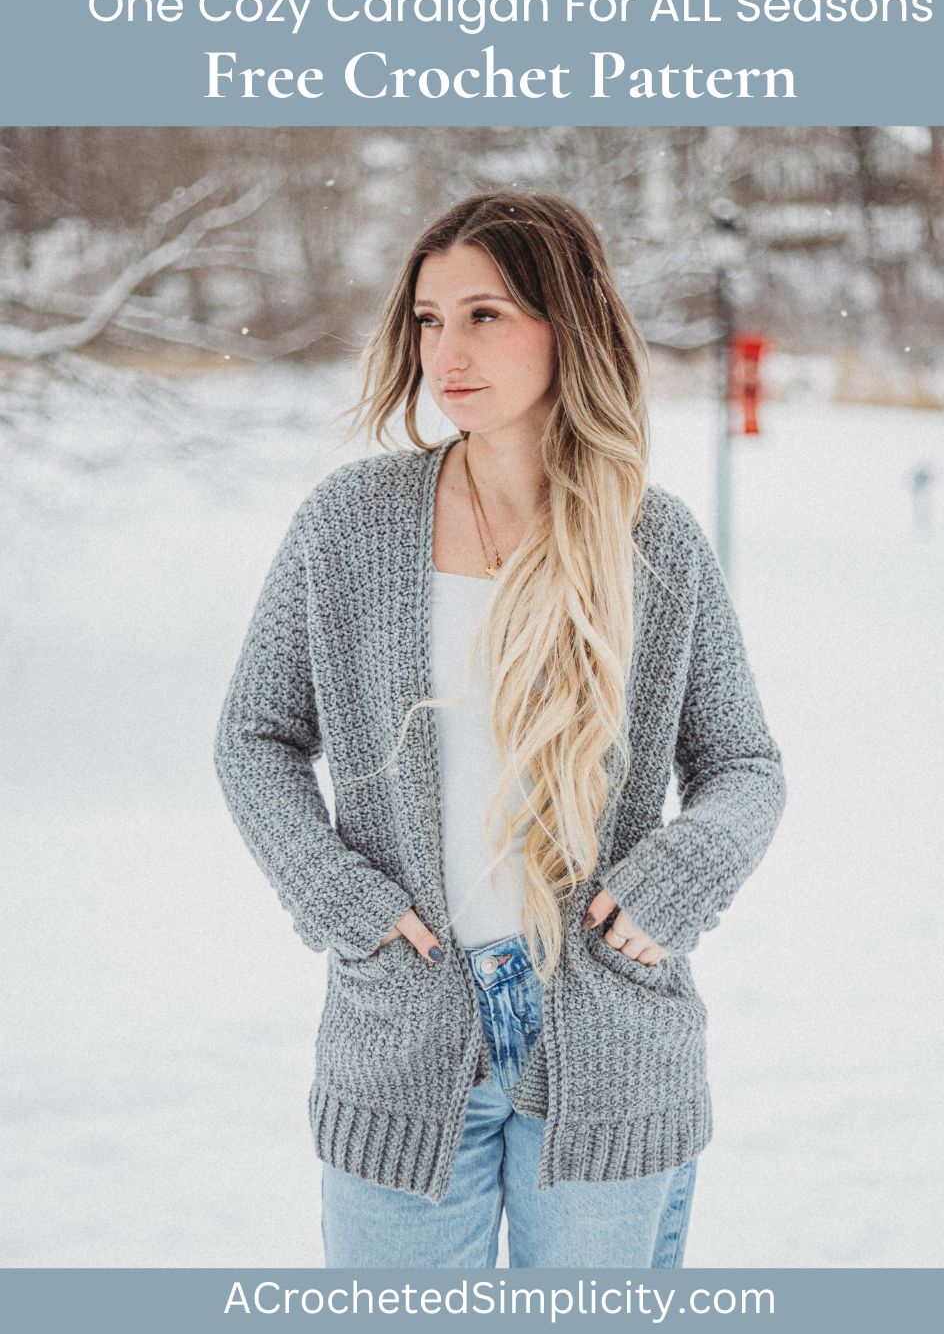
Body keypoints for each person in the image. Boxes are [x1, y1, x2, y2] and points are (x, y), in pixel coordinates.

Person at [213, 189, 787, 1269]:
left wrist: (676, 882)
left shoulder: (649, 539)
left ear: (564, 324)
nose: (445, 349)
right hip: (401, 1023)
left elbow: (743, 766)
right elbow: (255, 736)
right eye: (428, 319)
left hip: (610, 1036)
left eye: (483, 314)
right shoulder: (350, 523)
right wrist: (345, 904)